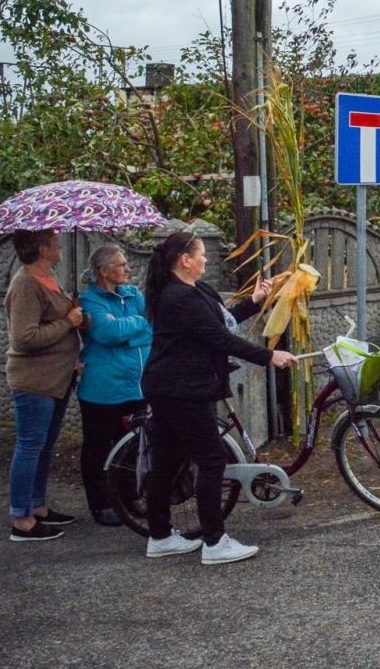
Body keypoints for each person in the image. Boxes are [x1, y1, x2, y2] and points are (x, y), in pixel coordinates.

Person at [140, 231, 296, 564]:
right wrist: (270, 356)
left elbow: (221, 321)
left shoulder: (194, 291)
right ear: (185, 260)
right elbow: (219, 339)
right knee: (212, 460)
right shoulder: (179, 297)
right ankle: (214, 542)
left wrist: (253, 302)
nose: (206, 260)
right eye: (201, 255)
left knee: (166, 462)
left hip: (172, 387)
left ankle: (160, 536)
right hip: (181, 390)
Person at [4, 228, 85, 542]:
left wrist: (73, 313)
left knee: (43, 446)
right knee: (29, 446)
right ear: (42, 248)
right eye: (54, 240)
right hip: (35, 381)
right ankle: (21, 519)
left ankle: (36, 506)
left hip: (58, 378)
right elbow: (24, 338)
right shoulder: (25, 283)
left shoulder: (50, 278)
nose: (59, 244)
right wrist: (68, 322)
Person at [76, 244, 150, 526]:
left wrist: (129, 331)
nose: (128, 269)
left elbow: (153, 324)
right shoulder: (89, 301)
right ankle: (100, 502)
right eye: (121, 265)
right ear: (104, 271)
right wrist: (138, 328)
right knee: (98, 448)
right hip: (102, 389)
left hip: (136, 387)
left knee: (135, 446)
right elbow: (108, 333)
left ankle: (129, 497)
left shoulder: (133, 295)